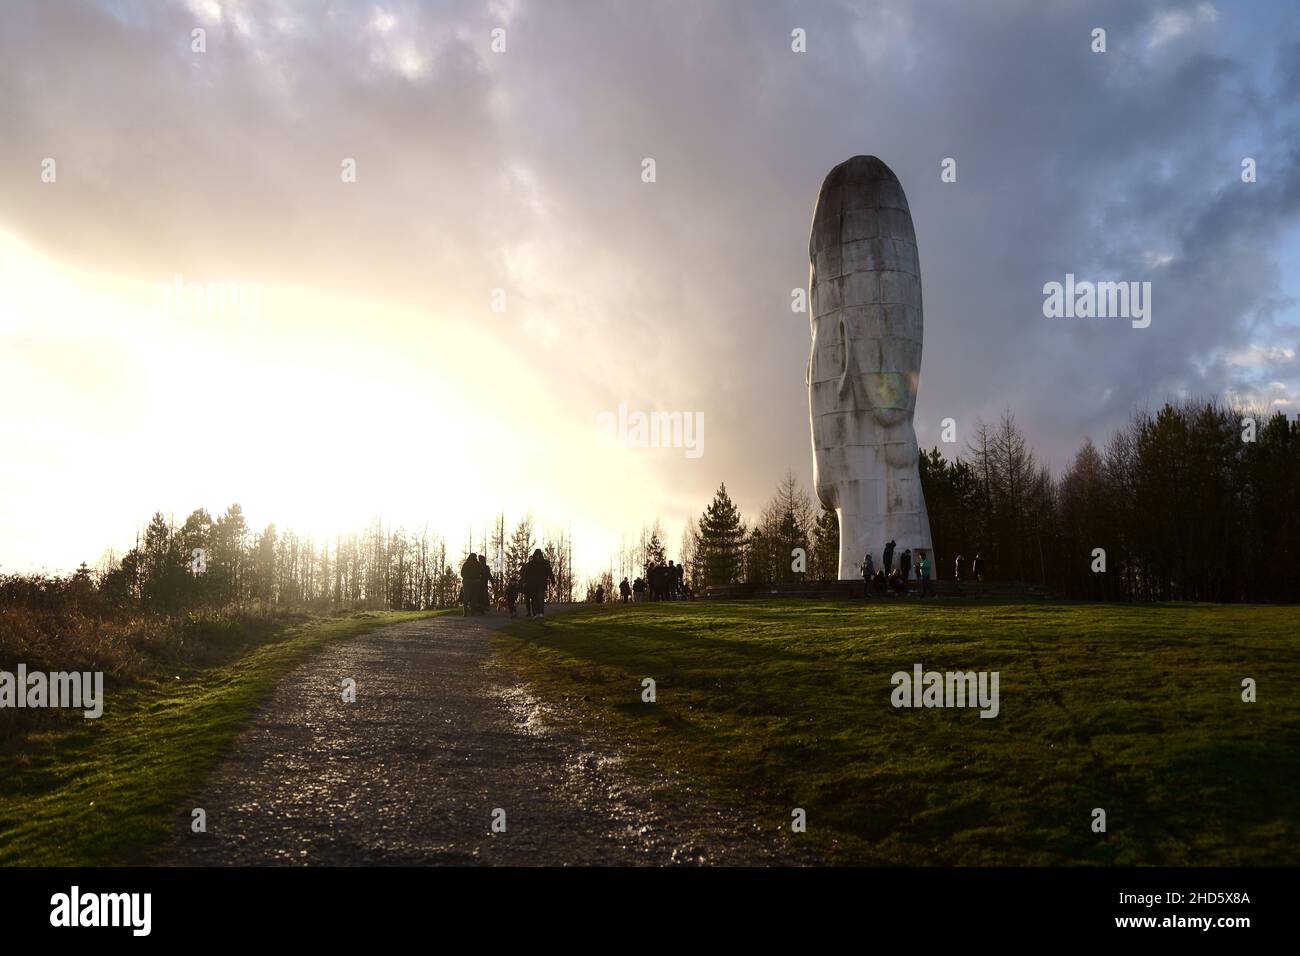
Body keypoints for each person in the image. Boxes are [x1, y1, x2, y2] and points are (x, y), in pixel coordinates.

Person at [523, 548, 556, 618]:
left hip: (542, 583)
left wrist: (553, 581)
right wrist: (525, 581)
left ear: (541, 555)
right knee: (535, 599)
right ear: (535, 555)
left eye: (539, 555)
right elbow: (527, 573)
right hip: (533, 584)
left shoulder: (545, 563)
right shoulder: (531, 564)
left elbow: (550, 572)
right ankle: (537, 613)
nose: (537, 556)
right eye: (536, 555)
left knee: (540, 598)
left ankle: (541, 613)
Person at [459, 552, 481, 617]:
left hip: (467, 581)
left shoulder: (465, 564)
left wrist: (465, 578)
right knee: (474, 597)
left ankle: (465, 612)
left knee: (466, 596)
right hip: (476, 581)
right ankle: (472, 612)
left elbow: (462, 573)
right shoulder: (478, 564)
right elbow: (481, 572)